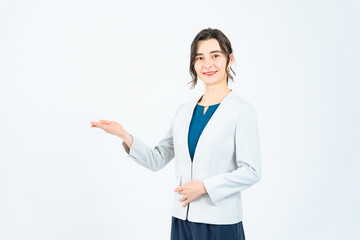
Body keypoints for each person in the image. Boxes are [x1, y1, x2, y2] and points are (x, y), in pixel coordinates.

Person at [90, 28, 261, 240]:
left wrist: (204, 187)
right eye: (200, 58)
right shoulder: (185, 111)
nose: (207, 64)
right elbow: (158, 159)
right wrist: (124, 135)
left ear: (230, 59)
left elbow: (251, 171)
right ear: (193, 64)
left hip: (219, 222)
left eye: (215, 55)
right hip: (182, 219)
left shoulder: (241, 111)